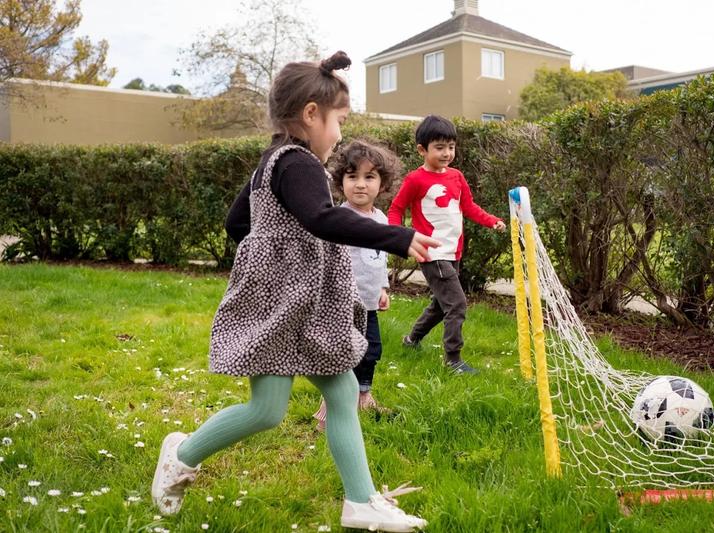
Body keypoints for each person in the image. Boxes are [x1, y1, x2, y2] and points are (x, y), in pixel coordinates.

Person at [151, 51, 435, 532]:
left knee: (343, 389)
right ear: (311, 114)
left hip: (291, 298)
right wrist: (398, 237)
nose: (341, 134)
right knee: (266, 410)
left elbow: (237, 223)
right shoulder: (300, 162)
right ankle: (180, 453)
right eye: (339, 121)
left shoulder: (269, 163)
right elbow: (321, 219)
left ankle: (361, 501)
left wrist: (273, 256)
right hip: (286, 303)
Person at [387, 115, 506, 374]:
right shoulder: (415, 180)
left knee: (441, 305)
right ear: (422, 149)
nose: (447, 153)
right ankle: (453, 359)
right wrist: (397, 237)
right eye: (439, 147)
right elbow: (396, 209)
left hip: (453, 250)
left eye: (451, 146)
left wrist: (492, 221)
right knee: (457, 304)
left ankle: (411, 339)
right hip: (432, 252)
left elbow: (469, 207)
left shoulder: (456, 177)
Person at [313, 140, 402, 431]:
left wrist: (383, 288)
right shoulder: (339, 219)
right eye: (352, 177)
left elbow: (379, 258)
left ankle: (363, 395)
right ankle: (330, 410)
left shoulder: (379, 218)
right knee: (342, 355)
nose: (360, 185)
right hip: (342, 303)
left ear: (383, 183)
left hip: (368, 302)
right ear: (341, 182)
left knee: (371, 350)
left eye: (369, 177)